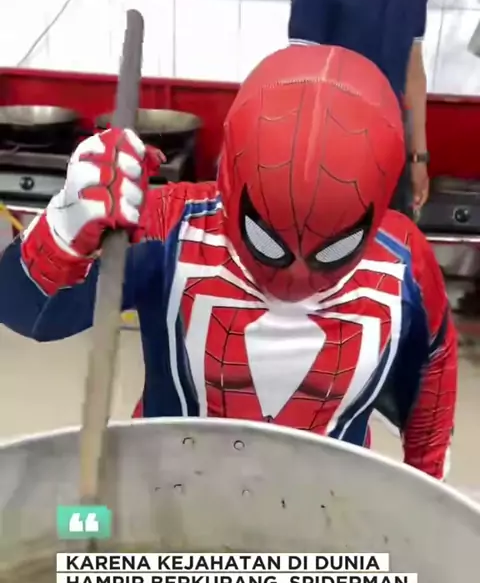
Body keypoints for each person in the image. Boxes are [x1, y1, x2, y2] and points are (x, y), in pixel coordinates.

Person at [0, 44, 456, 479]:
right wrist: (64, 228)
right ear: (228, 182)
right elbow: (27, 311)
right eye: (267, 243)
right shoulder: (170, 227)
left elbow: (433, 368)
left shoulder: (403, 263)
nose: (296, 276)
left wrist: (425, 482)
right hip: (166, 491)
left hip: (323, 506)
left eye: (333, 252)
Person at [288, 0, 430, 219]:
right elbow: (299, 87)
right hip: (333, 165)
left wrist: (418, 157)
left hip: (392, 159)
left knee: (391, 249)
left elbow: (413, 69)